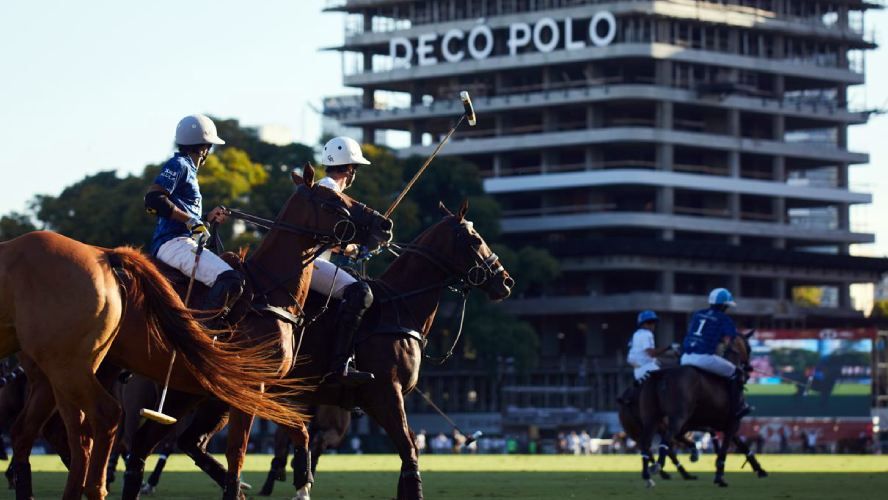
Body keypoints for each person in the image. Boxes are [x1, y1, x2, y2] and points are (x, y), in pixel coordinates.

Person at [144, 114, 243, 319]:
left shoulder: (187, 167)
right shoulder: (179, 164)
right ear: (204, 148)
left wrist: (205, 217)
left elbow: (181, 212)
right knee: (231, 280)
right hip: (173, 243)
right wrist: (191, 221)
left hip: (178, 241)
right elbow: (153, 199)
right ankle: (203, 336)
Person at [314, 136, 378, 386]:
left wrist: (351, 250)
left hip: (319, 259)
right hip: (312, 263)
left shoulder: (324, 186)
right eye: (355, 169)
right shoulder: (329, 190)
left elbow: (328, 236)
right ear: (350, 169)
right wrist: (353, 248)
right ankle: (340, 364)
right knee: (361, 293)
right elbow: (323, 235)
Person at [681, 287, 751, 418]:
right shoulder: (724, 319)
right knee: (737, 373)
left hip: (685, 357)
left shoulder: (698, 313)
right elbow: (735, 342)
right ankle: (737, 408)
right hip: (703, 358)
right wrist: (745, 362)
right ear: (725, 305)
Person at [626, 310, 675, 382]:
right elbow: (652, 354)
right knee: (672, 377)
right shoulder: (647, 334)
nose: (652, 325)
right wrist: (669, 347)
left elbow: (630, 359)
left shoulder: (635, 335)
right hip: (648, 370)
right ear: (642, 324)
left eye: (653, 322)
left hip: (637, 372)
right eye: (649, 322)